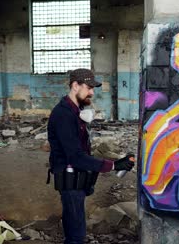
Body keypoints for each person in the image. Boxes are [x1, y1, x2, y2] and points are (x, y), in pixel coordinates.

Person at [47, 68, 135, 244]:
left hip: (78, 179)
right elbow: (76, 157)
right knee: (76, 234)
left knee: (75, 228)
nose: (92, 92)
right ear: (75, 86)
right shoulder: (64, 114)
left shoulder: (74, 111)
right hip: (70, 180)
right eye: (88, 88)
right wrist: (114, 165)